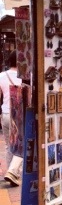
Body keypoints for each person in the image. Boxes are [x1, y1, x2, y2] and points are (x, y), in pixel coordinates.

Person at [0, 51, 23, 186]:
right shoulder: (25, 76)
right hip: (20, 114)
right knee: (21, 143)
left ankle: (10, 173)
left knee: (9, 145)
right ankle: (13, 172)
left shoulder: (1, 76)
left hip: (6, 113)